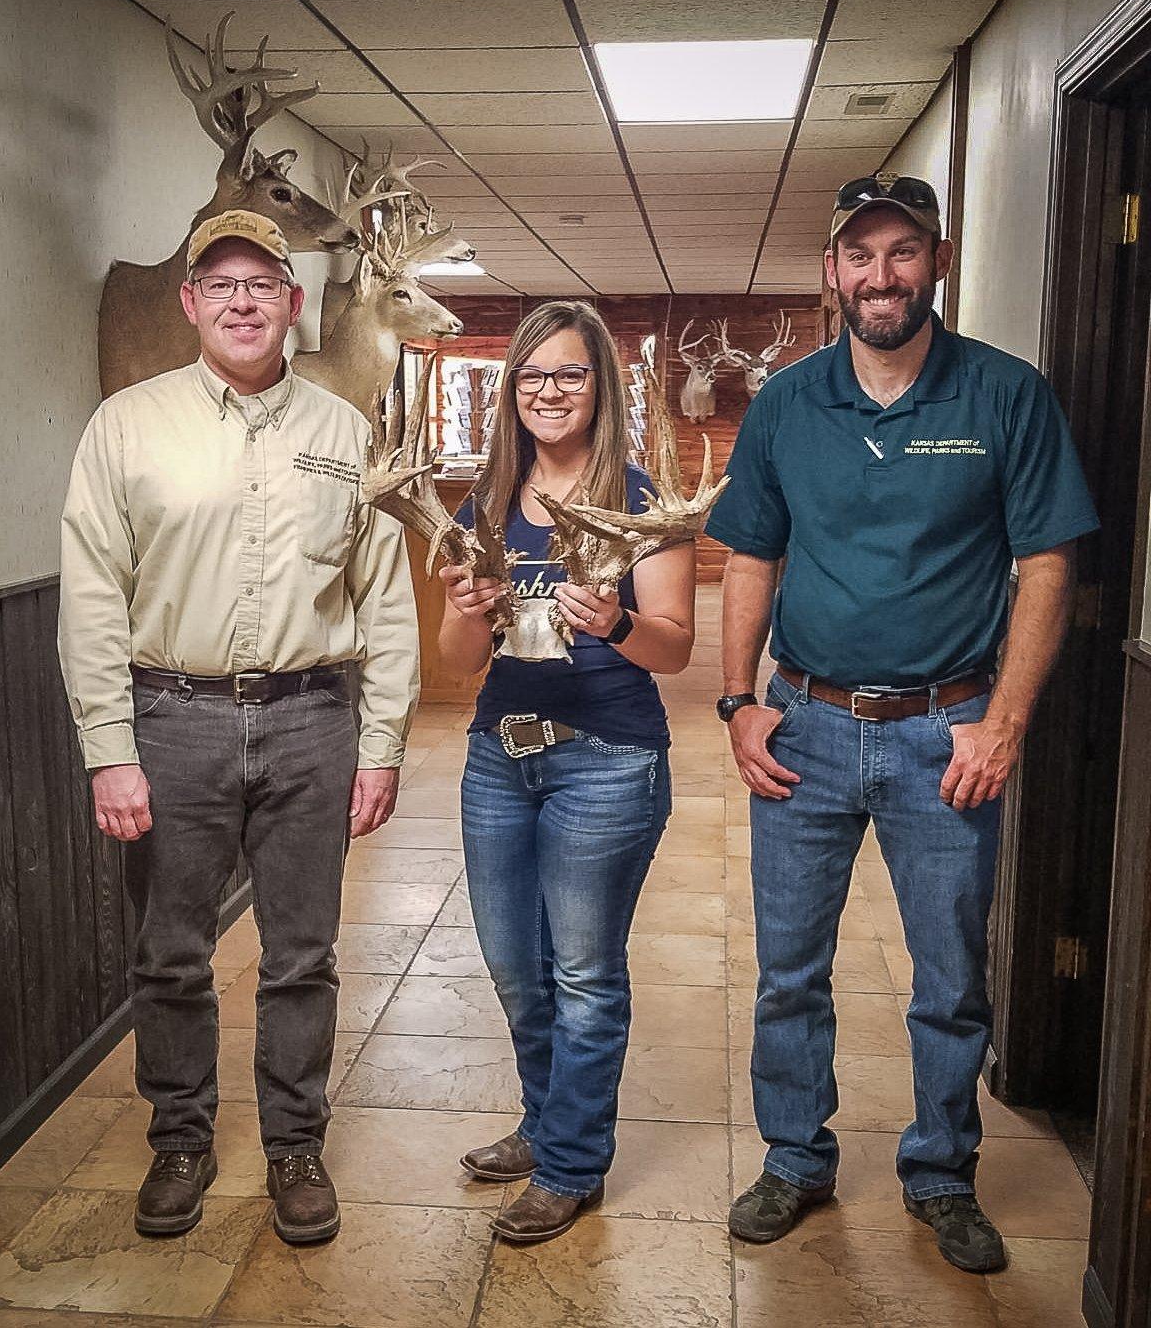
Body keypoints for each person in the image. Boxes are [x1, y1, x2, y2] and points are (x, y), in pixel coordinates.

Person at [708, 173, 1099, 1273]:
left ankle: (940, 1171)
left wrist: (1005, 720)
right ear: (832, 270)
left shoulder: (1006, 396)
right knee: (788, 966)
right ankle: (795, 1156)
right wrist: (740, 700)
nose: (880, 276)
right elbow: (751, 554)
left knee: (951, 974)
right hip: (808, 729)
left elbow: (1048, 562)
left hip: (949, 733)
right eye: (859, 255)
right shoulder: (788, 402)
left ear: (937, 258)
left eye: (901, 252)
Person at [58, 209, 419, 1245]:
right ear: (190, 303)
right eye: (221, 284)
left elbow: (384, 599)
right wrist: (110, 749)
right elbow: (90, 597)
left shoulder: (346, 434)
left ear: (295, 304)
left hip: (313, 720)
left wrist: (383, 740)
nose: (244, 300)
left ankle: (295, 1143)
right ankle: (179, 1136)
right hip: (171, 719)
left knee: (303, 953)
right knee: (170, 952)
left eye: (263, 282)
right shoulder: (126, 425)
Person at [437, 300, 696, 1243]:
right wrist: (469, 603)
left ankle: (572, 1163)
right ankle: (549, 1124)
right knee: (516, 968)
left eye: (570, 374)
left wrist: (616, 624)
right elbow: (460, 657)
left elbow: (673, 648)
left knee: (582, 971)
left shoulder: (642, 504)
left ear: (600, 388)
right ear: (512, 389)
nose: (550, 390)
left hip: (607, 763)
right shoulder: (486, 500)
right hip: (500, 757)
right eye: (532, 374)